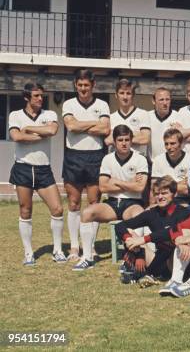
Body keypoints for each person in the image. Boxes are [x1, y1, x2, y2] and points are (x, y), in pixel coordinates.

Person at [73, 125, 148, 271]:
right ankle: (87, 257)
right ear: (114, 141)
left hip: (132, 202)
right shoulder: (108, 159)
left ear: (132, 140)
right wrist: (130, 183)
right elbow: (103, 187)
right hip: (112, 203)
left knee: (139, 215)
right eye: (120, 140)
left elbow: (139, 188)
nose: (124, 143)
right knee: (87, 213)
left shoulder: (140, 159)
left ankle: (131, 257)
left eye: (127, 139)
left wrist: (117, 181)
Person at [9, 83, 65, 265]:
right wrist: (39, 135)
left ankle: (57, 250)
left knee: (57, 209)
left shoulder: (49, 115)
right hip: (23, 168)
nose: (41, 99)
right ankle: (28, 253)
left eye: (41, 95)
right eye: (36, 96)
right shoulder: (15, 115)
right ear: (27, 98)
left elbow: (52, 130)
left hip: (43, 169)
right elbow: (16, 137)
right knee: (25, 210)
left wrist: (29, 129)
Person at [62, 69, 110, 261]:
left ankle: (90, 246)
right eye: (80, 85)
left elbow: (105, 129)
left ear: (93, 85)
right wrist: (93, 124)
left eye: (86, 85)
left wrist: (80, 124)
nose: (83, 89)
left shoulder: (102, 104)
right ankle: (74, 247)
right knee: (73, 203)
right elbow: (70, 126)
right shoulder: (68, 104)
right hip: (73, 156)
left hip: (95, 156)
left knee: (93, 203)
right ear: (76, 85)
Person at [115, 176, 190, 285]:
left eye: (164, 193)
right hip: (159, 259)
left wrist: (144, 239)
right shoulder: (152, 213)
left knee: (173, 246)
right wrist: (131, 242)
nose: (160, 197)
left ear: (174, 194)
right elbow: (120, 225)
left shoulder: (183, 212)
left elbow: (169, 232)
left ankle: (143, 273)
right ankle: (135, 267)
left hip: (179, 259)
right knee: (130, 234)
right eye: (157, 194)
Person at [106, 78, 150, 155]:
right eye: (122, 93)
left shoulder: (143, 114)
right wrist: (135, 134)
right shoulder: (111, 117)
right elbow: (108, 140)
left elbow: (145, 139)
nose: (125, 97)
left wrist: (118, 138)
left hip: (137, 161)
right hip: (116, 162)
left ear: (133, 95)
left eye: (128, 93)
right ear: (116, 95)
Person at [150, 128, 190, 206]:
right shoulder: (158, 160)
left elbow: (188, 190)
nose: (169, 147)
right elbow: (154, 189)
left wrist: (165, 184)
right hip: (162, 200)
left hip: (183, 200)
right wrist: (178, 184)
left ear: (180, 144)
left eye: (173, 143)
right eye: (166, 144)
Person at [148, 87, 179, 160]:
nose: (165, 103)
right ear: (153, 101)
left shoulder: (178, 117)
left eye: (167, 99)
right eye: (161, 99)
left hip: (172, 163)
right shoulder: (147, 117)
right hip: (152, 164)